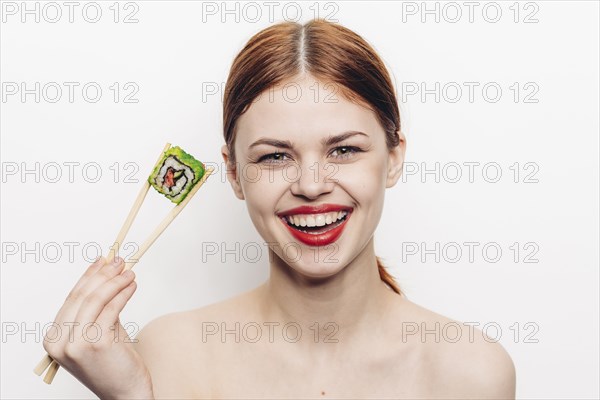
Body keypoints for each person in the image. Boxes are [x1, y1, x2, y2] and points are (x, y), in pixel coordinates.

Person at [43, 19, 516, 399]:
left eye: (344, 150)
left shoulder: (471, 372)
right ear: (233, 174)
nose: (311, 186)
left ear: (393, 158)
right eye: (275, 156)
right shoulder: (170, 354)